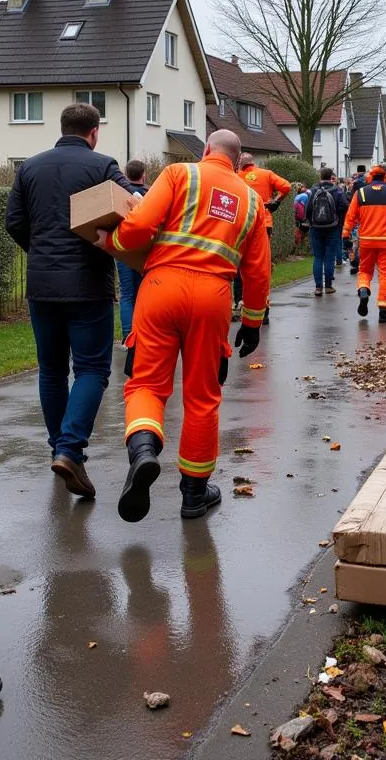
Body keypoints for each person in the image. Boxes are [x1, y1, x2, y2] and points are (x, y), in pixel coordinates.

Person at [101, 130, 270, 523]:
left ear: (207, 150)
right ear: (237, 159)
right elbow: (258, 272)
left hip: (162, 287)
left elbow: (140, 225)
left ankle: (144, 451)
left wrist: (114, 240)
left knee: (146, 384)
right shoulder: (252, 201)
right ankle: (194, 494)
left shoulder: (181, 174)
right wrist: (252, 322)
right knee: (202, 396)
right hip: (213, 298)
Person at [6, 103, 141, 499]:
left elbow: (14, 221)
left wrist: (40, 252)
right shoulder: (102, 166)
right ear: (94, 131)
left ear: (61, 127)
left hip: (42, 284)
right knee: (92, 370)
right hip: (87, 283)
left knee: (50, 371)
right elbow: (135, 207)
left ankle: (60, 450)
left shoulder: (29, 167)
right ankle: (69, 449)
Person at [341, 164, 386, 325]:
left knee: (364, 271)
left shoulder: (361, 194)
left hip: (366, 240)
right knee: (385, 274)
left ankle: (364, 290)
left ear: (370, 177)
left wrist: (345, 235)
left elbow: (350, 217)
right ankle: (383, 311)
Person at [233, 152, 290, 325]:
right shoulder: (266, 174)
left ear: (240, 164)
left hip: (241, 224)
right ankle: (263, 309)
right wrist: (276, 202)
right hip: (264, 223)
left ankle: (238, 304)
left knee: (239, 264)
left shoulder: (235, 177)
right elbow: (286, 186)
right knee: (260, 267)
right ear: (253, 163)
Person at [117, 159, 147, 341]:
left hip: (121, 247)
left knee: (127, 292)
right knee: (143, 290)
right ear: (144, 174)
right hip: (143, 248)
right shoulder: (152, 194)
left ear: (125, 174)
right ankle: (143, 332)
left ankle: (128, 336)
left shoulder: (120, 192)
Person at [305, 167, 348, 295]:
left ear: (320, 177)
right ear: (331, 177)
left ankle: (318, 287)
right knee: (329, 258)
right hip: (332, 228)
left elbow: (308, 210)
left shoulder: (313, 191)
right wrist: (337, 216)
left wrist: (311, 221)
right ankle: (328, 286)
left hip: (316, 228)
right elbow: (345, 206)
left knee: (318, 257)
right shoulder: (337, 191)